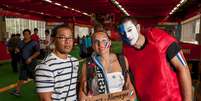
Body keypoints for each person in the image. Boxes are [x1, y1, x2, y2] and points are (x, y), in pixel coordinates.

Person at [118, 16, 192, 101]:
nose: (127, 35)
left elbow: (183, 68)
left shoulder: (159, 38)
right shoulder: (125, 52)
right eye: (123, 33)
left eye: (130, 30)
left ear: (138, 28)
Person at [79, 31, 136, 101]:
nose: (100, 45)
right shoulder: (88, 64)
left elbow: (129, 86)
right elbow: (82, 93)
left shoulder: (122, 60)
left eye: (104, 40)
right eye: (96, 42)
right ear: (93, 46)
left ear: (109, 42)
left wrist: (131, 95)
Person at [35, 24, 79, 101]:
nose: (67, 41)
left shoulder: (74, 61)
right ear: (53, 39)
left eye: (70, 38)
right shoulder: (45, 67)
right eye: (62, 37)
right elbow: (45, 99)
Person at [10, 29, 40, 96]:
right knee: (22, 77)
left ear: (30, 35)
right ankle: (17, 91)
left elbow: (38, 52)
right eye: (24, 34)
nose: (26, 35)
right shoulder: (20, 42)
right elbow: (18, 50)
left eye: (27, 34)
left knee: (35, 77)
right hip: (23, 62)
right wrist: (16, 50)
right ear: (23, 35)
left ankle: (40, 89)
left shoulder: (34, 43)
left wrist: (30, 58)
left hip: (32, 63)